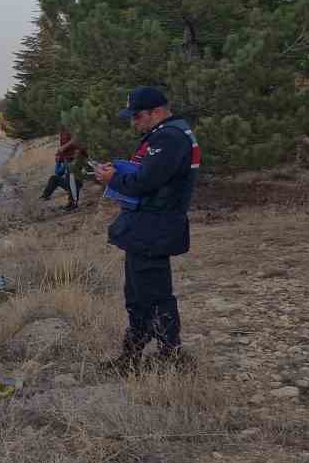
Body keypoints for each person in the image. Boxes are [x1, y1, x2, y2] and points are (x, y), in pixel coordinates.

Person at [93, 86, 201, 371]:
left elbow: (146, 182)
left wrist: (113, 179)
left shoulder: (169, 137)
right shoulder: (165, 135)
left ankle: (171, 358)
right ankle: (132, 357)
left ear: (157, 112)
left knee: (154, 295)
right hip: (146, 227)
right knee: (138, 294)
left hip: (155, 227)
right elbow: (146, 175)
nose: (134, 122)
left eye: (137, 116)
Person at [40, 126, 86, 211]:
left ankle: (73, 204)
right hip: (68, 163)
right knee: (54, 179)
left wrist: (63, 148)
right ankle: (43, 199)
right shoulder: (63, 131)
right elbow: (59, 171)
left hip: (76, 162)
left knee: (71, 178)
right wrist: (59, 157)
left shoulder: (72, 125)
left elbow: (77, 139)